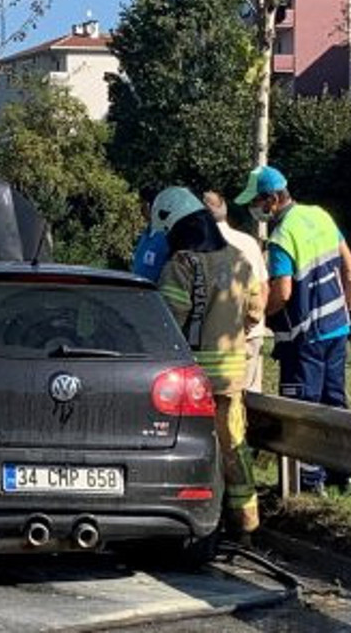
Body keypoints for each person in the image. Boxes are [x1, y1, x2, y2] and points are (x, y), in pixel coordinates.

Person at [152, 186, 265, 539]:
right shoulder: (238, 260)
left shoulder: (181, 265)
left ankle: (199, 523)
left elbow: (169, 322)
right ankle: (246, 524)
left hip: (192, 381)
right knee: (233, 447)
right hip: (232, 375)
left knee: (190, 449)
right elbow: (255, 311)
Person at [235, 165, 351, 494]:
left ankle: (309, 483)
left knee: (302, 411)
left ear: (272, 199)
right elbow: (347, 262)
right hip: (336, 328)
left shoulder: (282, 237)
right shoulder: (320, 215)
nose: (255, 210)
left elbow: (283, 292)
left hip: (304, 336)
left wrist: (258, 316)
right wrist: (346, 307)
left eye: (257, 202)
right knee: (334, 402)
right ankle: (341, 475)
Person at [203, 190, 269, 393]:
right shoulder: (248, 242)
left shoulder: (202, 247)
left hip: (218, 341)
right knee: (250, 401)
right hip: (251, 335)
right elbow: (263, 288)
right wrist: (251, 324)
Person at [132, 185, 171, 283]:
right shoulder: (145, 235)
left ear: (149, 206)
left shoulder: (167, 237)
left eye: (142, 203)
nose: (140, 208)